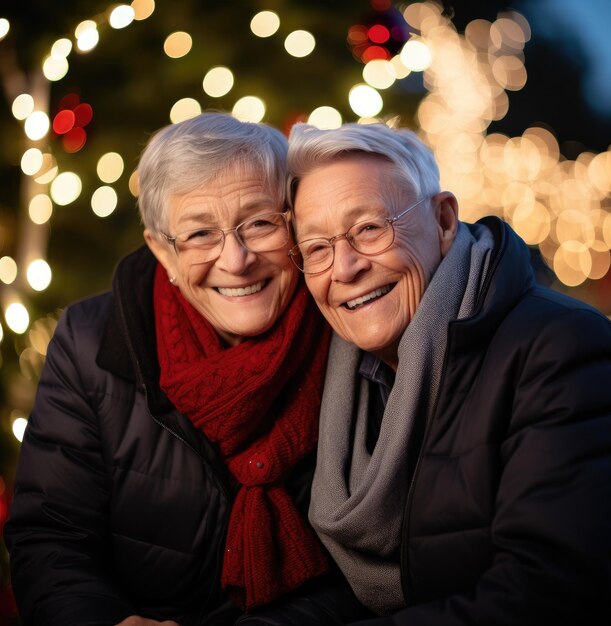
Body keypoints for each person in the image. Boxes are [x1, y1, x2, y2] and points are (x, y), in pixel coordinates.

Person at [4, 113, 367, 626]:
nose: (236, 260)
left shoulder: (354, 327)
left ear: (294, 224)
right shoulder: (90, 340)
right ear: (162, 252)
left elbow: (378, 564)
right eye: (200, 234)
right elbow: (51, 535)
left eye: (259, 223)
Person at [285, 121, 611, 625]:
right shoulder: (342, 383)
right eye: (316, 248)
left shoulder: (561, 349)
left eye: (369, 228)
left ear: (444, 220)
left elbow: (550, 593)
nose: (344, 267)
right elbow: (343, 592)